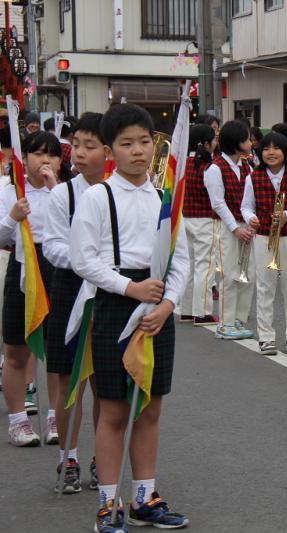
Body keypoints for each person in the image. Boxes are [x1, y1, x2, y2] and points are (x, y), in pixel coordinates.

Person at [69, 103, 190, 531]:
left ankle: (144, 496)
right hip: (115, 302)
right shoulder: (97, 197)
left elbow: (181, 259)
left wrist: (168, 304)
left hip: (158, 308)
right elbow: (83, 260)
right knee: (116, 410)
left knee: (150, 409)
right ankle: (108, 503)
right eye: (126, 144)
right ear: (108, 151)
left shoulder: (163, 197)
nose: (138, 152)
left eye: (144, 142)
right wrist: (130, 289)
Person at [43, 112, 105, 493]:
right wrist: (85, 260)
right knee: (68, 381)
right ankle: (68, 457)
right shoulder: (63, 193)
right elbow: (52, 246)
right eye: (76, 145)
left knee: (105, 382)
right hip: (71, 288)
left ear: (108, 149)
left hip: (107, 293)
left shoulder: (122, 190)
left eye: (89, 146)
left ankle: (103, 457)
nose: (78, 153)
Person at [0, 131, 60, 447]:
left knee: (55, 350)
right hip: (23, 266)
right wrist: (12, 218)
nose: (45, 160)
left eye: (52, 154)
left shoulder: (65, 192)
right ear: (25, 160)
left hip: (56, 270)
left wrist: (55, 191)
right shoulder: (9, 191)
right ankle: (18, 420)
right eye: (38, 153)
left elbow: (80, 231)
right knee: (16, 350)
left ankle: (55, 418)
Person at [241, 132, 287, 356]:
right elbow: (246, 206)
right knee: (265, 287)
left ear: (285, 151)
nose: (271, 153)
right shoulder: (253, 176)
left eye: (276, 148)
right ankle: (266, 337)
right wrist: (249, 217)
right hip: (263, 236)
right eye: (266, 149)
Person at [204, 120, 255, 340]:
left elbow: (250, 200)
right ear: (236, 142)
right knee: (229, 275)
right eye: (246, 138)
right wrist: (235, 228)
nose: (250, 142)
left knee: (248, 275)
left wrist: (251, 222)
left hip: (246, 225)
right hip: (226, 227)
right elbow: (217, 203)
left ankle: (238, 319)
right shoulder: (215, 168)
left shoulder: (246, 166)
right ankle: (225, 322)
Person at [180, 124, 220, 326]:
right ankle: (202, 312)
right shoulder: (209, 167)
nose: (216, 142)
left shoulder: (181, 164)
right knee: (205, 265)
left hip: (184, 217)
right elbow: (216, 200)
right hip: (205, 219)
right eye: (214, 139)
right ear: (206, 143)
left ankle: (186, 310)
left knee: (188, 265)